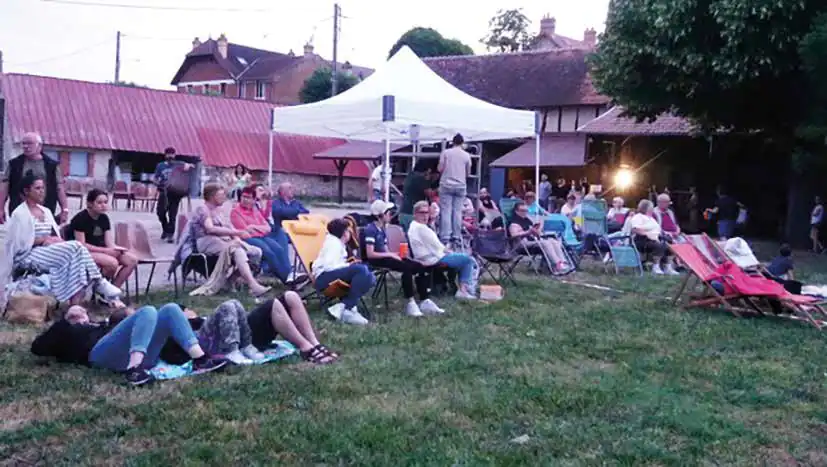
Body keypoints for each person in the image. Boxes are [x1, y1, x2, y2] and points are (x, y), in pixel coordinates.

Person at [31, 303, 227, 386]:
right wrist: (65, 320)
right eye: (77, 311)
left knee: (170, 309)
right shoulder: (67, 330)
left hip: (140, 354)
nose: (81, 312)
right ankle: (134, 370)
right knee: (148, 310)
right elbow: (37, 348)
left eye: (82, 310)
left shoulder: (102, 324)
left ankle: (200, 359)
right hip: (99, 355)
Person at [0, 174, 121, 305]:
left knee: (76, 260)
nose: (42, 191)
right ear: (26, 191)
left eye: (43, 188)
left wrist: (55, 239)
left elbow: (55, 233)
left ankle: (75, 306)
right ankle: (98, 282)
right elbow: (18, 244)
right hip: (29, 254)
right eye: (37, 188)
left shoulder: (45, 211)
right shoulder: (20, 213)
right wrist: (43, 240)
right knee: (76, 246)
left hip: (48, 251)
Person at [190, 184, 270, 297]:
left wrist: (239, 239)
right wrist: (237, 233)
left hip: (222, 240)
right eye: (221, 195)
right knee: (238, 250)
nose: (224, 197)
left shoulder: (219, 210)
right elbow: (210, 229)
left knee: (256, 252)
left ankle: (230, 280)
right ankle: (253, 285)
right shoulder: (203, 209)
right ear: (213, 196)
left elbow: (230, 228)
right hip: (207, 241)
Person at [362, 200, 440, 316]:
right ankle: (410, 302)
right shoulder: (370, 230)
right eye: (388, 212)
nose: (390, 215)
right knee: (406, 268)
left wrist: (396, 255)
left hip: (385, 257)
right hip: (376, 260)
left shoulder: (382, 229)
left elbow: (385, 249)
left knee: (419, 265)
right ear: (380, 215)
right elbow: (370, 254)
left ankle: (425, 299)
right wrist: (391, 255)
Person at [230, 186, 301, 287]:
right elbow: (245, 230)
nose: (246, 200)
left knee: (279, 249)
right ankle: (287, 279)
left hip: (261, 237)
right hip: (247, 239)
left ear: (254, 200)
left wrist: (254, 226)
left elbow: (267, 228)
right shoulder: (236, 211)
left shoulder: (255, 210)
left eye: (249, 198)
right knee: (268, 252)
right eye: (244, 197)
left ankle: (291, 275)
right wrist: (259, 229)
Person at [68, 189, 138, 288]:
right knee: (112, 263)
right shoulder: (80, 219)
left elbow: (109, 243)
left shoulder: (104, 218)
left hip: (101, 250)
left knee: (132, 260)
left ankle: (113, 290)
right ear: (90, 203)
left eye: (105, 202)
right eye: (99, 202)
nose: (103, 205)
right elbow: (81, 245)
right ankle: (100, 289)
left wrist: (117, 249)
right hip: (83, 252)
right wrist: (106, 251)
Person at [408, 200, 476, 300]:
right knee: (467, 260)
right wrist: (450, 252)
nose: (425, 216)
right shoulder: (421, 228)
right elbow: (438, 247)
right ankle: (463, 291)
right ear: (415, 214)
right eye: (421, 213)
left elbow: (436, 246)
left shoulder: (414, 226)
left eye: (427, 212)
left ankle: (456, 286)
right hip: (432, 258)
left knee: (460, 257)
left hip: (429, 256)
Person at [313, 218, 375, 325]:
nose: (350, 233)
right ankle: (348, 307)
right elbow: (329, 266)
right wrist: (348, 265)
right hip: (323, 278)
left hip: (329, 275)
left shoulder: (338, 243)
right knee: (360, 270)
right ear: (344, 233)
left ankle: (344, 307)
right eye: (348, 230)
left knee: (370, 276)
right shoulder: (333, 244)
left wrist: (349, 266)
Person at [0, 132, 69, 224]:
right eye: (23, 143)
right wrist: (0, 208)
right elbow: (4, 187)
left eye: (29, 143)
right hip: (19, 209)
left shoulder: (51, 165)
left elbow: (59, 187)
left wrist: (65, 209)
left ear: (39, 146)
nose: (26, 146)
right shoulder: (14, 164)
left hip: (45, 210)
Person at [509, 201, 571, 273]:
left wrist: (538, 228)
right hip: (522, 245)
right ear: (516, 211)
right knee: (545, 243)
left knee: (553, 241)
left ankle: (563, 262)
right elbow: (513, 235)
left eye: (526, 211)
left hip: (532, 241)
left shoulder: (527, 220)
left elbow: (535, 232)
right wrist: (527, 232)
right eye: (522, 211)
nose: (525, 213)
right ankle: (557, 264)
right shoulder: (514, 222)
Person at [624, 199, 679, 275]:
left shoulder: (651, 218)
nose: (652, 209)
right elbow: (635, 229)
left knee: (671, 245)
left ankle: (668, 267)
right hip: (642, 240)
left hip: (656, 238)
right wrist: (647, 234)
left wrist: (666, 235)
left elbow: (658, 230)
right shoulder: (638, 217)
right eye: (651, 207)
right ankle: (655, 267)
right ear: (646, 208)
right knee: (659, 246)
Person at [154, 147, 194, 243]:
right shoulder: (160, 166)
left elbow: (191, 166)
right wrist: (156, 183)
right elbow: (155, 178)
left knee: (172, 214)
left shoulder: (179, 164)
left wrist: (188, 166)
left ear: (174, 155)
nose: (170, 156)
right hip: (164, 191)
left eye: (172, 154)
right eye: (168, 154)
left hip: (175, 193)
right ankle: (165, 228)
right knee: (160, 213)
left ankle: (170, 235)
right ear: (165, 155)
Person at [437, 133, 472, 246]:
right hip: (461, 185)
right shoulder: (466, 155)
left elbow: (440, 168)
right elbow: (468, 172)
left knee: (446, 210)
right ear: (462, 143)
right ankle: (456, 236)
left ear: (452, 142)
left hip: (446, 183)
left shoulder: (446, 153)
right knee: (457, 211)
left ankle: (445, 236)